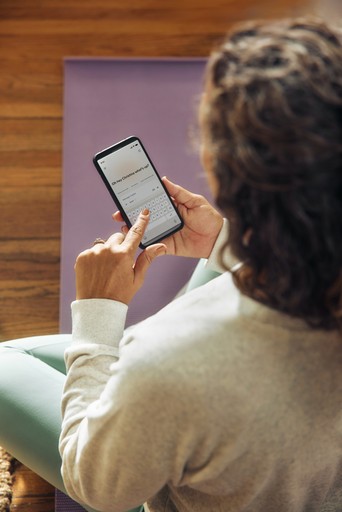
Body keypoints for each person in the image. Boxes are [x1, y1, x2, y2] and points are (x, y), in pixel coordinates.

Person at [0, 15, 341, 512]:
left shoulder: (168, 361)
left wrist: (98, 313)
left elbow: (99, 486)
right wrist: (226, 240)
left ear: (221, 178)